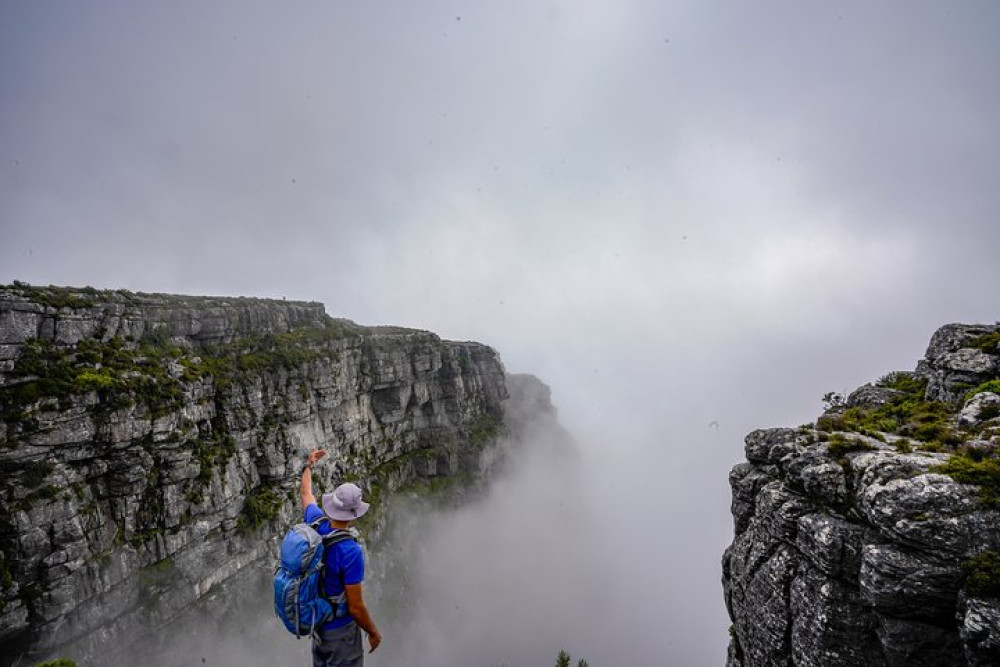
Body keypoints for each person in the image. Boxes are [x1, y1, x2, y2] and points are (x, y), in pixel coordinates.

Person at [299, 448, 382, 666]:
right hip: (341, 633)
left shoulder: (316, 523)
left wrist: (309, 465)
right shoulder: (350, 551)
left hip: (319, 626)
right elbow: (355, 606)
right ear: (354, 513)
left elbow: (306, 495)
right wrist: (373, 632)